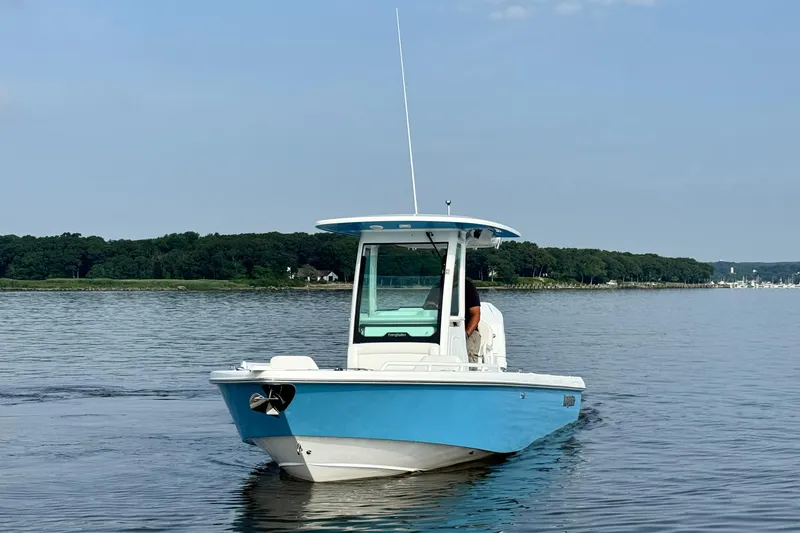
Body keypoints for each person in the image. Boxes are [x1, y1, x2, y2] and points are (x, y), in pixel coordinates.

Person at [423, 276, 482, 367]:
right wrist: (430, 306)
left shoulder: (468, 286)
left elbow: (476, 315)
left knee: (468, 349)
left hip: (467, 330)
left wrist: (465, 335)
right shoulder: (439, 286)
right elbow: (428, 304)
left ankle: (471, 369)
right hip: (443, 329)